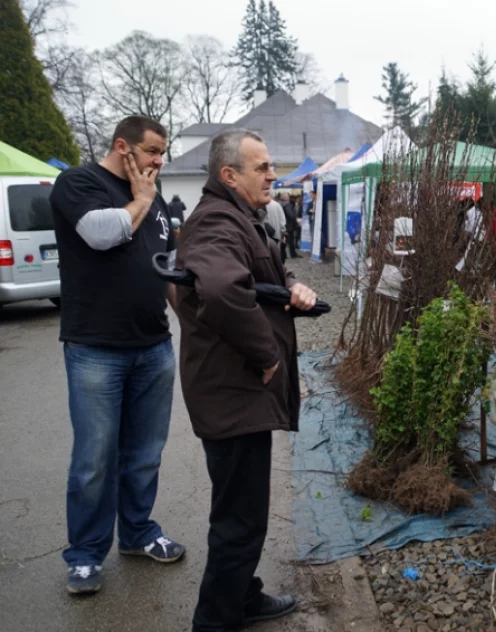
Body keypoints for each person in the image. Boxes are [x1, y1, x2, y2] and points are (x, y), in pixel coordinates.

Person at [174, 129, 318, 631]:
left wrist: (290, 286)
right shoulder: (218, 221)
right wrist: (265, 354)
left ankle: (242, 596)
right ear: (229, 175)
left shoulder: (239, 217)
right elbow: (220, 288)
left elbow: (255, 276)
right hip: (232, 394)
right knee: (239, 519)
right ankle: (215, 619)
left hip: (235, 394)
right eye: (262, 167)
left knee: (243, 510)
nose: (273, 175)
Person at [49, 115, 185, 595]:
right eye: (152, 151)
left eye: (162, 152)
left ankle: (138, 533)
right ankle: (86, 555)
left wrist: (191, 325)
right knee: (94, 461)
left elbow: (168, 268)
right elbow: (100, 234)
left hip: (153, 346)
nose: (159, 161)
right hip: (95, 349)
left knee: (145, 454)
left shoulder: (157, 197)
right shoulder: (78, 183)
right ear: (123, 146)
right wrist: (142, 199)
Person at [281, 194, 298, 259]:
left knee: (285, 240)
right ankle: (291, 254)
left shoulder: (284, 204)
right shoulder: (287, 205)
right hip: (288, 226)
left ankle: (285, 254)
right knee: (289, 241)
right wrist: (295, 220)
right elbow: (291, 215)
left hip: (286, 225)